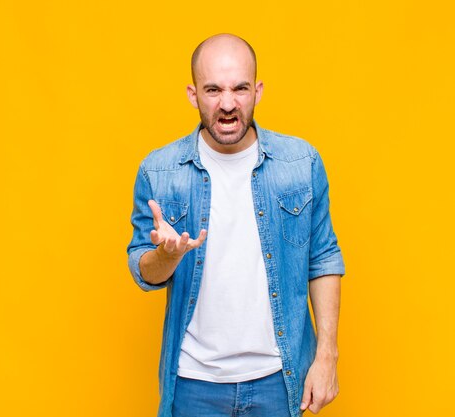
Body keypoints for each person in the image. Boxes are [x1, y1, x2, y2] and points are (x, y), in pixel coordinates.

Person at [126, 33, 346, 417]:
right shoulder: (159, 172)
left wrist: (327, 355)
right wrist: (166, 255)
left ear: (257, 91)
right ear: (193, 95)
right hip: (193, 384)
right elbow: (144, 271)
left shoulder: (301, 163)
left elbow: (323, 258)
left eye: (239, 88)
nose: (227, 104)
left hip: (279, 380)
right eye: (213, 90)